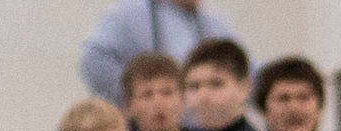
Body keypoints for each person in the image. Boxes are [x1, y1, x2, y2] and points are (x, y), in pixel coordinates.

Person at [81, 0, 238, 103]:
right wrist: (135, 100)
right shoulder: (132, 13)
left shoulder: (210, 22)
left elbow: (244, 69)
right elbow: (94, 60)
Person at [122, 52, 188, 131]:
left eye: (167, 92)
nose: (158, 103)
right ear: (129, 106)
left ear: (184, 99)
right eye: (147, 95)